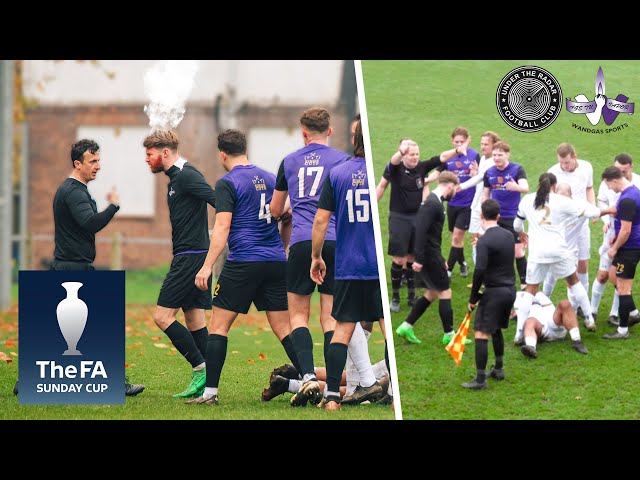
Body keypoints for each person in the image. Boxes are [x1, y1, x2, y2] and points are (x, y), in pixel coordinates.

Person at [13, 139, 144, 397]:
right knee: (100, 326)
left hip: (72, 265)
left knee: (60, 329)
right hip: (72, 269)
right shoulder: (73, 191)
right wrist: (114, 206)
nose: (98, 166)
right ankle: (117, 383)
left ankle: (25, 381)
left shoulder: (76, 189)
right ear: (78, 163)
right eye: (92, 161)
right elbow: (90, 223)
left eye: (98, 160)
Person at [187, 129, 296, 406]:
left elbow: (222, 227)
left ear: (222, 154)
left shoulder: (227, 182)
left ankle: (210, 393)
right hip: (274, 261)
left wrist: (206, 266)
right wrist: (281, 250)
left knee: (219, 327)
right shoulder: (271, 178)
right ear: (245, 148)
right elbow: (287, 216)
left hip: (244, 261)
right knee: (284, 328)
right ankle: (308, 379)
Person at [270, 107, 352, 406]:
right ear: (329, 131)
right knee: (329, 317)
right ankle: (331, 392)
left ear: (303, 132)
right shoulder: (343, 160)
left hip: (303, 241)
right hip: (335, 242)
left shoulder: (289, 161)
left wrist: (292, 207)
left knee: (298, 315)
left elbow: (276, 210)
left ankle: (306, 377)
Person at [310, 118, 386, 411]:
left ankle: (331, 399)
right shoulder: (378, 172)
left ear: (354, 139)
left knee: (340, 330)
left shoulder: (338, 173)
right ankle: (392, 397)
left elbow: (321, 220)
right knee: (385, 327)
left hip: (349, 265)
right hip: (376, 266)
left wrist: (316, 257)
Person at [143, 130, 216, 398]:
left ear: (164, 152)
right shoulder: (175, 178)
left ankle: (200, 369)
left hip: (190, 258)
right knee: (195, 318)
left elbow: (218, 201)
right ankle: (211, 383)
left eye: (149, 154)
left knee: (162, 317)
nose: (147, 160)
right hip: (191, 255)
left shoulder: (187, 175)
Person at [512, 173, 607, 339]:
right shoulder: (562, 201)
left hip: (537, 252)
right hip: (558, 250)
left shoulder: (527, 200)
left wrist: (521, 234)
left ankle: (519, 333)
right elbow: (591, 213)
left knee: (530, 291)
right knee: (573, 281)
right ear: (554, 186)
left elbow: (516, 224)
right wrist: (609, 210)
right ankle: (589, 318)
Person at [376, 139, 463, 312]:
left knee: (411, 258)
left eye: (417, 154)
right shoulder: (396, 169)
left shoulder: (421, 168)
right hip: (399, 217)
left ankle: (411, 295)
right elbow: (393, 161)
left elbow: (441, 158)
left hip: (417, 217)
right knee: (399, 258)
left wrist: (457, 150)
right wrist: (400, 152)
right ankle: (394, 297)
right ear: (404, 156)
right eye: (411, 154)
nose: (415, 157)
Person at [395, 171, 461, 345]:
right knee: (445, 292)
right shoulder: (432, 204)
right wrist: (419, 259)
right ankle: (449, 334)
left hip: (432, 254)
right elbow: (420, 231)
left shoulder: (435, 201)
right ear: (449, 186)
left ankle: (406, 326)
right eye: (455, 188)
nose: (455, 192)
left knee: (432, 293)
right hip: (429, 256)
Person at [463, 199, 516, 389]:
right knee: (496, 329)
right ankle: (499, 369)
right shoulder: (509, 235)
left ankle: (480, 380)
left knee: (481, 332)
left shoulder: (485, 240)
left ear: (481, 216)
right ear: (498, 216)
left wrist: (474, 296)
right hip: (510, 290)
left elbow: (480, 270)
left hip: (494, 292)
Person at [591, 154, 640, 326]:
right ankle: (631, 313)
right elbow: (613, 210)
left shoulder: (627, 197)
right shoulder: (630, 192)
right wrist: (597, 214)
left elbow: (626, 229)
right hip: (619, 239)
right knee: (613, 276)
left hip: (628, 245)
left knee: (623, 284)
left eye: (609, 185)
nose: (609, 190)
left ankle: (624, 326)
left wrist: (614, 247)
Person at [547, 144, 595, 315]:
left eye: (567, 162)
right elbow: (548, 197)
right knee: (564, 264)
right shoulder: (553, 172)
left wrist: (593, 209)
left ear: (574, 157)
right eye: (562, 163)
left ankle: (583, 303)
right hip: (562, 225)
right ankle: (566, 304)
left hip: (581, 222)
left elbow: (589, 188)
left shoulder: (586, 167)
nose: (564, 166)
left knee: (583, 262)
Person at [481, 141, 529, 286]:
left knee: (518, 252)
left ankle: (524, 284)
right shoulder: (489, 172)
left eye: (500, 155)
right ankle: (490, 281)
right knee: (493, 250)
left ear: (507, 154)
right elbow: (485, 194)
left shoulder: (517, 169)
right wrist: (483, 214)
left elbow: (525, 188)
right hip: (495, 218)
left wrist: (515, 187)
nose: (496, 158)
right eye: (494, 155)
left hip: (513, 217)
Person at [437, 127, 480, 278]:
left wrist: (476, 174)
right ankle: (463, 263)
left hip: (467, 205)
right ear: (452, 141)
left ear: (468, 140)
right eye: (456, 142)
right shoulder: (449, 157)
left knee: (456, 237)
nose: (459, 144)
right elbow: (439, 175)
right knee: (456, 239)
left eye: (462, 141)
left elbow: (482, 178)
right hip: (452, 204)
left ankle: (447, 270)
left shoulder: (475, 155)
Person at [456, 131, 500, 266]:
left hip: (486, 207)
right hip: (477, 204)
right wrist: (475, 174)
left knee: (480, 240)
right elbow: (481, 179)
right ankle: (481, 275)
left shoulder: (493, 162)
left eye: (486, 144)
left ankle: (482, 276)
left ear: (494, 145)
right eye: (481, 144)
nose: (483, 147)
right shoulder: (483, 159)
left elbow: (482, 177)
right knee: (476, 238)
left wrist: (461, 186)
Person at [517, 291, 589, 358]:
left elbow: (548, 305)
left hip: (553, 323)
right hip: (539, 327)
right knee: (530, 322)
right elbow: (513, 313)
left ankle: (577, 341)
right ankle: (530, 347)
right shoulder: (518, 296)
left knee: (565, 303)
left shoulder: (539, 294)